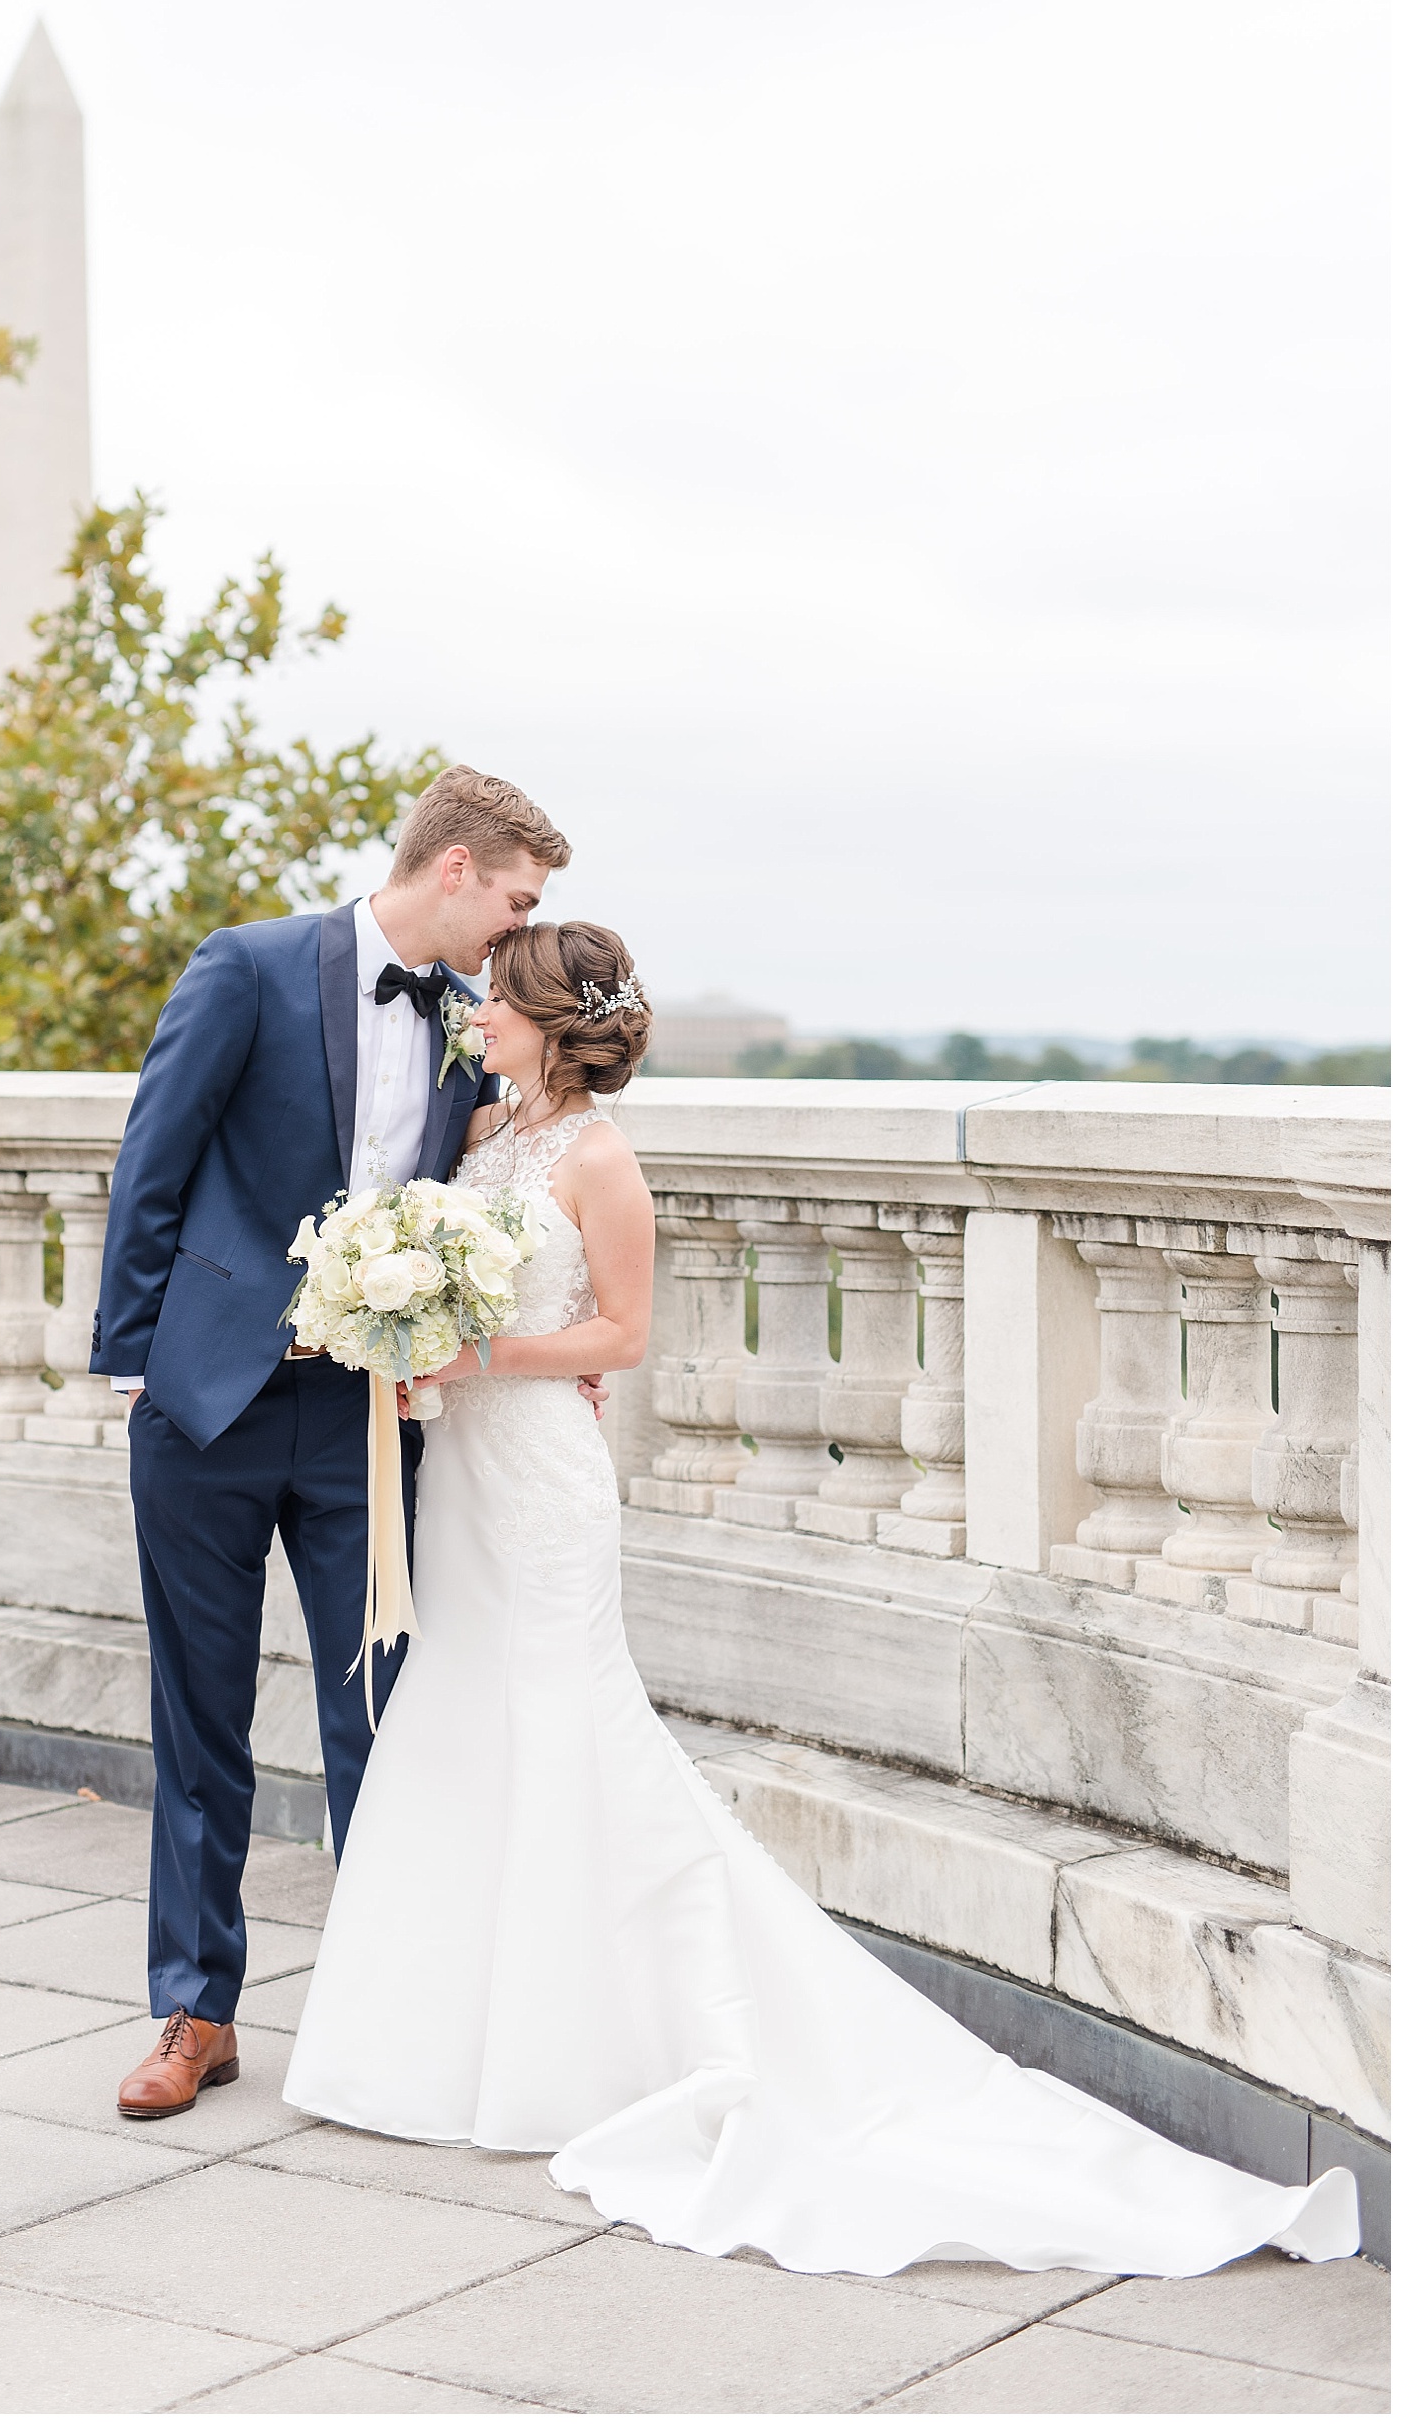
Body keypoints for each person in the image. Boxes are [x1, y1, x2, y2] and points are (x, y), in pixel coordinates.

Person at [281, 918, 1360, 2279]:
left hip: (546, 1479)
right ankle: (436, 2037)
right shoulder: (483, 1131)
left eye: (494, 1001)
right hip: (465, 1480)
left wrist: (473, 1342)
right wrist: (398, 1320)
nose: (474, 1016)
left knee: (566, 1722)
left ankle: (590, 2041)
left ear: (552, 1022)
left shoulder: (600, 1160)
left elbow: (621, 1333)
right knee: (459, 1716)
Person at [91, 766, 574, 2120]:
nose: (519, 929)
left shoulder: (472, 1026)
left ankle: (385, 2010)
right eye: (518, 899)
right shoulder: (247, 968)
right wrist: (137, 1361)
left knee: (384, 1714)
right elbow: (154, 1160)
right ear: (460, 869)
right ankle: (195, 2011)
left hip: (371, 1416)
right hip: (208, 1404)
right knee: (203, 1718)